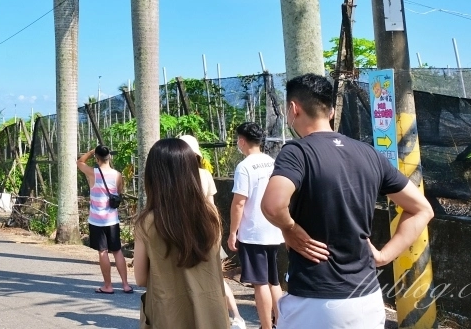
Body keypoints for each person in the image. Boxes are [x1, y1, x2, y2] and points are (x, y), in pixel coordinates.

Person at [261, 74, 434, 329]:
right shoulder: (369, 154)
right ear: (331, 111)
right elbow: (422, 209)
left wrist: (290, 228)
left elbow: (273, 205)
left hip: (316, 301)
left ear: (293, 109)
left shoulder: (297, 152)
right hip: (368, 299)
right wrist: (385, 255)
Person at [134, 138, 229, 329]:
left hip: (169, 315)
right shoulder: (211, 217)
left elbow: (141, 279)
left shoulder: (147, 222)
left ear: (153, 176)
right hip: (212, 315)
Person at [179, 135, 247, 329]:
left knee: (191, 279)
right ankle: (236, 317)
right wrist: (217, 234)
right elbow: (211, 208)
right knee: (216, 277)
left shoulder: (175, 177)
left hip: (184, 234)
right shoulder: (205, 175)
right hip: (206, 233)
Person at [228, 122, 284, 329]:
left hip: (254, 233)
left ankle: (266, 326)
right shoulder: (272, 161)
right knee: (273, 281)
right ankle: (281, 323)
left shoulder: (244, 167)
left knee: (259, 283)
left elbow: (239, 202)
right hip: (274, 229)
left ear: (242, 141)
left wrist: (233, 232)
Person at [77, 145, 133, 294]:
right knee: (117, 251)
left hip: (96, 220)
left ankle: (108, 286)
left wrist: (89, 152)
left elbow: (79, 162)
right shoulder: (117, 175)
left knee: (103, 252)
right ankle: (126, 284)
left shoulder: (92, 173)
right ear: (109, 157)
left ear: (97, 158)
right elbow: (119, 192)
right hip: (112, 220)